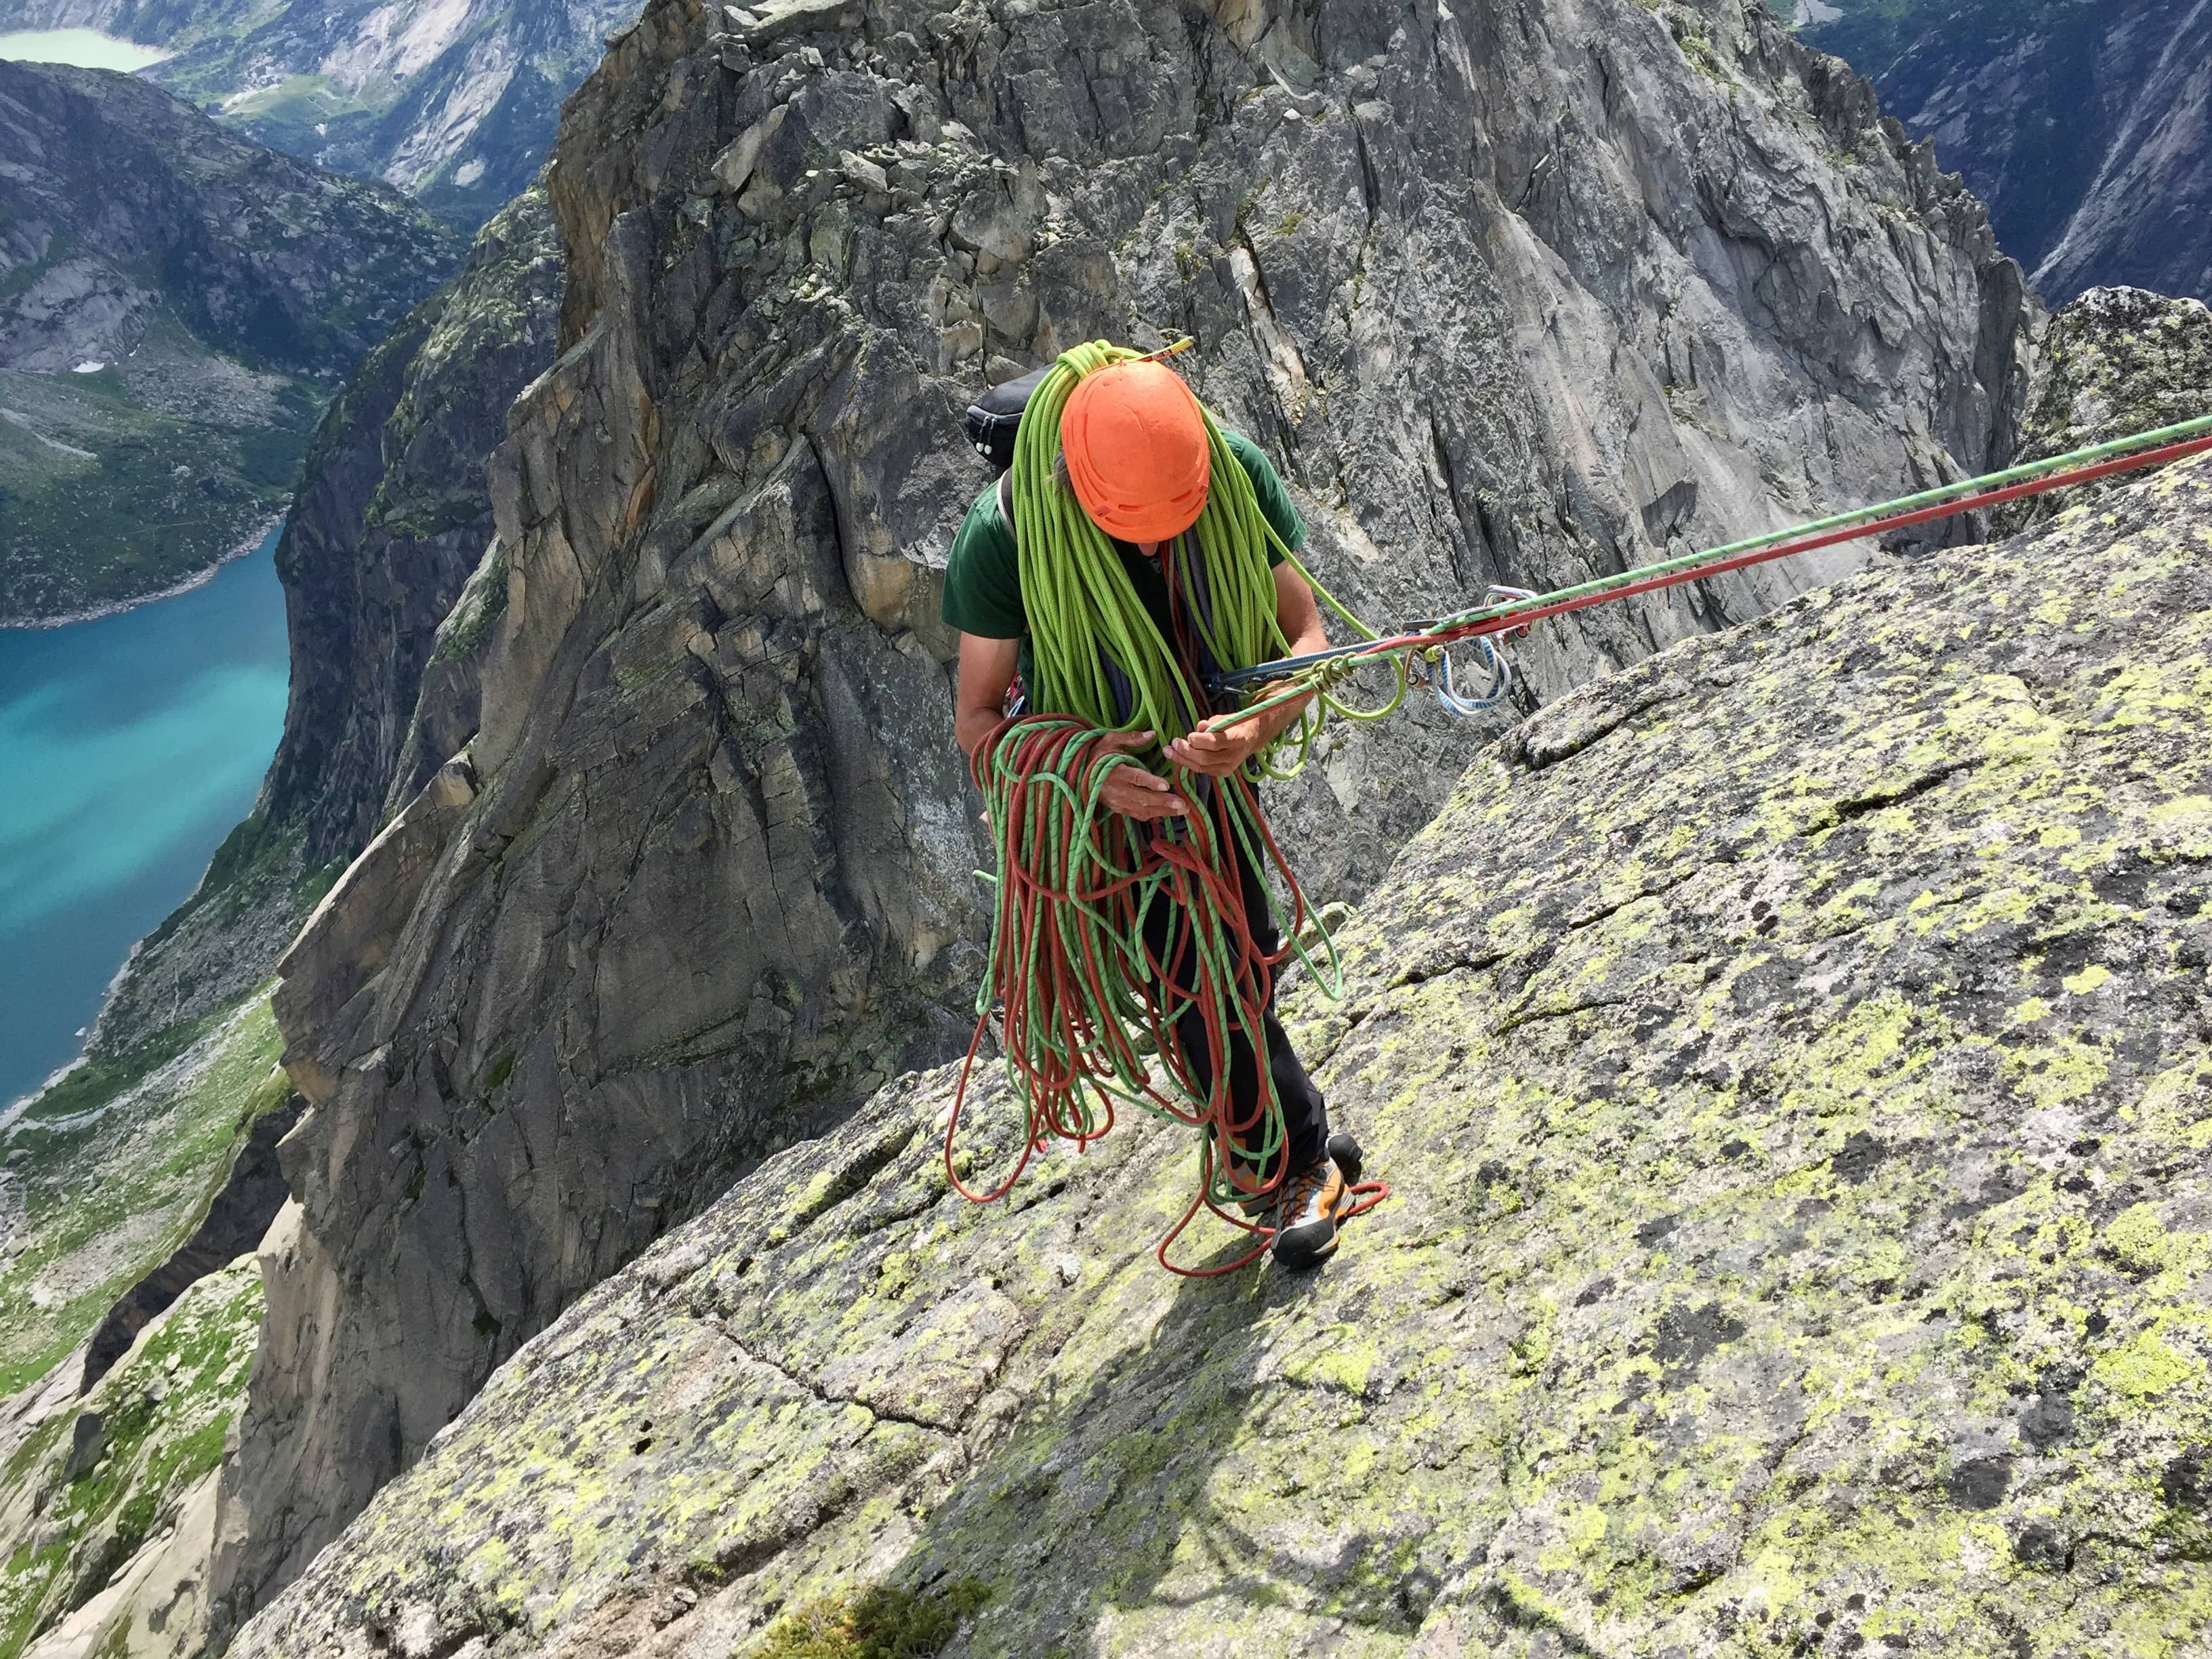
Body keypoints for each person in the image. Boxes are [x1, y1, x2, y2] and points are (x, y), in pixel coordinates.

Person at [940, 359, 1362, 1269]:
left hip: (1212, 743)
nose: (1151, 552)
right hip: (1100, 776)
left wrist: (1252, 729)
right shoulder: (1006, 537)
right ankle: (1288, 1159)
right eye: (1130, 535)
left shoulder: (1230, 471)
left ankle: (1294, 1148)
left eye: (1172, 533)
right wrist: (1087, 770)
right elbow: (977, 724)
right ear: (1072, 488)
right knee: (1191, 971)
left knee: (1235, 948)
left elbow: (1305, 639)